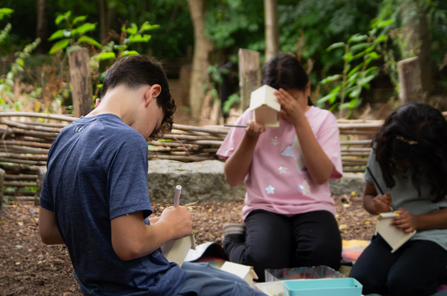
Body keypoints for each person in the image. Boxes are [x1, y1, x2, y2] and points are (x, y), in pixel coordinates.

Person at [39, 55, 265, 296]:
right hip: (145, 286)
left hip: (98, 287)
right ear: (152, 93)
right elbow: (130, 245)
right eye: (155, 126)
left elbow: (50, 230)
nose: (147, 136)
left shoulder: (65, 137)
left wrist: (150, 225)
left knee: (228, 278)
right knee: (247, 290)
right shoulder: (126, 139)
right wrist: (169, 226)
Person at [217, 53, 343, 281]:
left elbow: (322, 175)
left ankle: (287, 253)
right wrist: (250, 137)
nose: (285, 110)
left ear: (308, 89)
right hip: (266, 207)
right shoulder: (252, 116)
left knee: (324, 261)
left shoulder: (323, 119)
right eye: (279, 102)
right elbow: (232, 178)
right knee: (263, 266)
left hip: (313, 206)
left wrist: (300, 122)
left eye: (292, 100)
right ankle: (233, 242)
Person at [349, 103, 447, 296]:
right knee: (361, 282)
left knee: (402, 284)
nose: (403, 163)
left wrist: (419, 221)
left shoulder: (442, 160)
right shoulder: (381, 151)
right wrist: (376, 206)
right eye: (399, 157)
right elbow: (368, 197)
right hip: (391, 235)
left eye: (412, 160)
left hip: (436, 235)